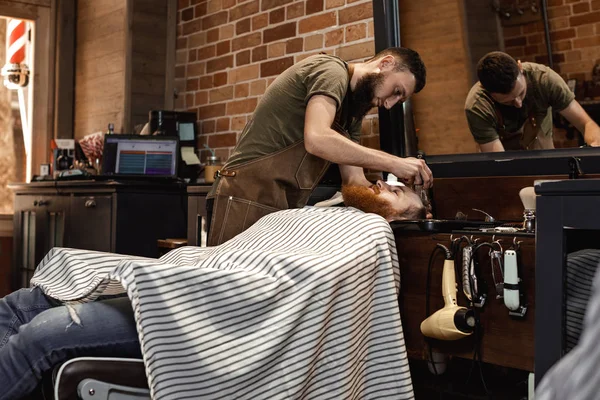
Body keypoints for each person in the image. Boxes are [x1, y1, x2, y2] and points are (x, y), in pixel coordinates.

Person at [0, 183, 427, 399]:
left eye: (398, 192)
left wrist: (217, 282)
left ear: (406, 220)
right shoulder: (313, 214)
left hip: (209, 312)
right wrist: (197, 267)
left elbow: (304, 285)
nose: (385, 184)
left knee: (43, 334)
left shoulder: (370, 232)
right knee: (18, 305)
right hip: (183, 284)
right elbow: (236, 252)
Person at [206, 47, 432, 246]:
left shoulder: (351, 115)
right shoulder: (331, 71)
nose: (390, 104)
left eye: (399, 101)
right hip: (244, 196)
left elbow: (354, 181)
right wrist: (395, 163)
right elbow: (317, 139)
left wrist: (399, 209)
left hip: (281, 207)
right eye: (396, 91)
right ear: (386, 63)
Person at [464, 51, 600, 152]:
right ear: (488, 91)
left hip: (546, 159)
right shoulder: (478, 106)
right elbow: (499, 163)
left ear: (520, 67)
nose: (518, 103)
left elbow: (586, 123)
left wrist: (595, 145)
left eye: (521, 93)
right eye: (508, 102)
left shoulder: (545, 79)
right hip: (508, 167)